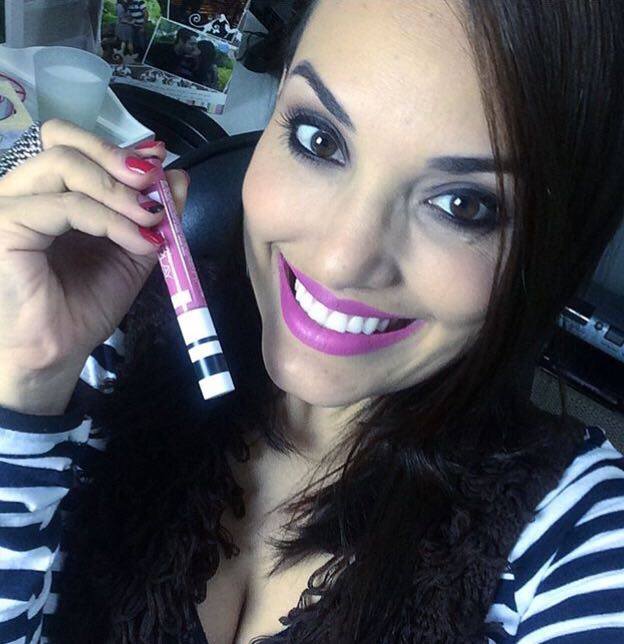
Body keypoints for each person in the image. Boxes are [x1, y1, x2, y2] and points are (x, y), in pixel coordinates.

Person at [0, 1, 623, 642]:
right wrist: (29, 381)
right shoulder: (102, 333)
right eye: (319, 139)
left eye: (463, 204)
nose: (341, 261)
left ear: (552, 247)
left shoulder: (579, 535)